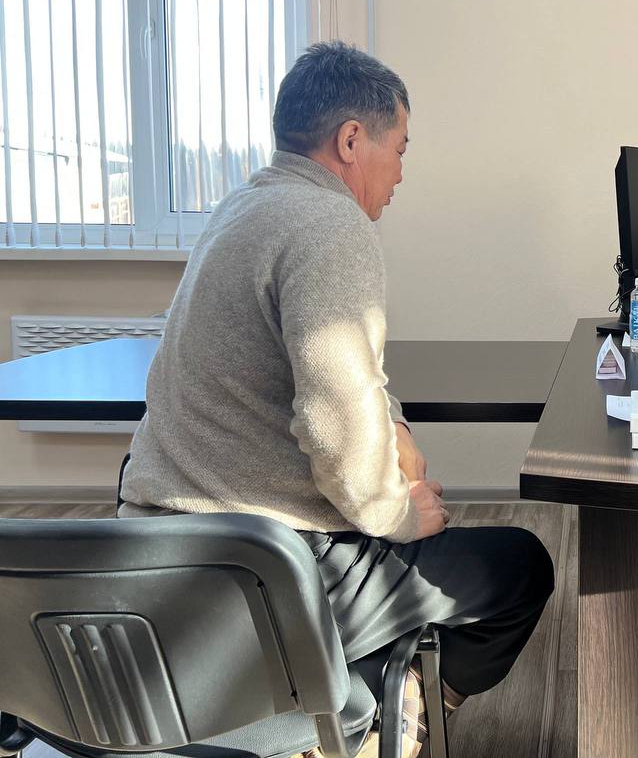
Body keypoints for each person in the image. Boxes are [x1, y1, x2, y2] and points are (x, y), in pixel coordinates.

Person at [119, 42, 553, 748]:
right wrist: (400, 515)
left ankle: (346, 694)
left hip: (152, 551)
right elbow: (334, 427)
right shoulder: (330, 226)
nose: (402, 173)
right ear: (352, 140)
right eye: (399, 150)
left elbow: (343, 373)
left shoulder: (244, 208)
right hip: (256, 573)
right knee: (519, 567)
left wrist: (394, 428)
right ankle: (395, 717)